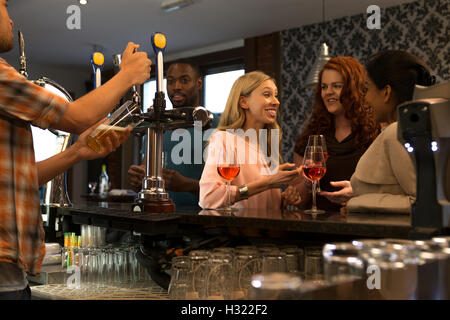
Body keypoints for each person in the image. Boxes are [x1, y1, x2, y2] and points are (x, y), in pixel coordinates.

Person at [0, 0, 151, 299]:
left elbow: (17, 181)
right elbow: (76, 117)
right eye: (4, 6)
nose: (10, 20)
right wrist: (126, 75)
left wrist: (77, 152)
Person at [320, 50, 436, 214]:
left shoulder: (396, 132)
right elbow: (398, 189)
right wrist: (357, 192)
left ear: (386, 93)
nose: (364, 98)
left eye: (367, 89)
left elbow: (421, 201)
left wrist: (356, 202)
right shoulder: (408, 131)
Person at [199, 71, 301, 210]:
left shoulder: (267, 144)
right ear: (244, 102)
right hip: (240, 231)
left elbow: (259, 203)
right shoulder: (224, 139)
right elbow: (209, 197)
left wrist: (283, 199)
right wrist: (268, 182)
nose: (276, 102)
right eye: (267, 94)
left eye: (275, 95)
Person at [128, 60, 219, 206]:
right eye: (170, 81)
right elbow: (145, 170)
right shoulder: (156, 127)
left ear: (199, 83)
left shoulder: (217, 126)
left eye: (184, 80)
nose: (176, 87)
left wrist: (188, 185)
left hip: (203, 220)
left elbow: (228, 187)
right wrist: (138, 180)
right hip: (158, 217)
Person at [293, 57, 379, 212]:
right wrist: (302, 187)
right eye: (324, 87)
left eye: (337, 86)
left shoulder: (376, 133)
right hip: (316, 227)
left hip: (360, 223)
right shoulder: (310, 137)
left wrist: (358, 196)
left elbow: (386, 189)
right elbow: (299, 202)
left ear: (354, 89)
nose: (328, 92)